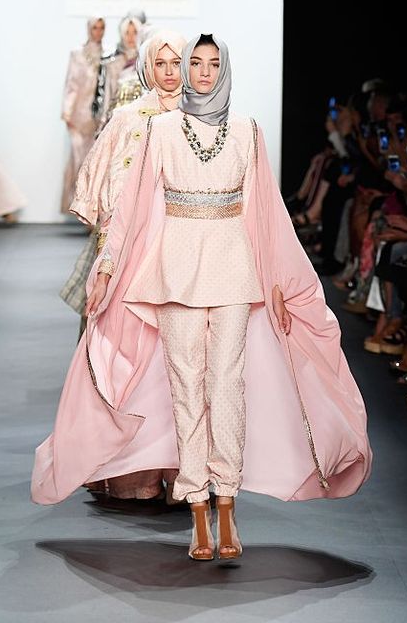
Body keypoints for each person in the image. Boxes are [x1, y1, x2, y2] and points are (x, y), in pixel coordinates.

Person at [33, 34, 371, 562]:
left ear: (224, 68)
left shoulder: (248, 132)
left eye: (213, 63)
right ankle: (196, 510)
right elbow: (135, 211)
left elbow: (267, 215)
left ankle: (228, 505)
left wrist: (280, 280)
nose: (204, 71)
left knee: (228, 388)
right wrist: (107, 265)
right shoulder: (160, 131)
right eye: (197, 62)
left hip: (235, 272)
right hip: (173, 273)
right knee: (187, 389)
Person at [60, 27, 188, 502]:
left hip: (184, 253)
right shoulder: (129, 117)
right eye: (163, 63)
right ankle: (130, 472)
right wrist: (113, 244)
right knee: (130, 357)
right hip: (132, 249)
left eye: (178, 63)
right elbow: (106, 180)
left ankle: (181, 472)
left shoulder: (203, 118)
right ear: (148, 67)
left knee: (179, 361)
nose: (171, 73)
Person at [60, 17, 106, 215]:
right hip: (79, 118)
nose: (98, 31)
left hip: (99, 118)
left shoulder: (108, 54)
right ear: (89, 28)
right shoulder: (77, 53)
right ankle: (78, 207)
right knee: (79, 161)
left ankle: (91, 210)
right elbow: (71, 84)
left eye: (101, 28)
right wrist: (67, 112)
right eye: (95, 27)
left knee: (96, 163)